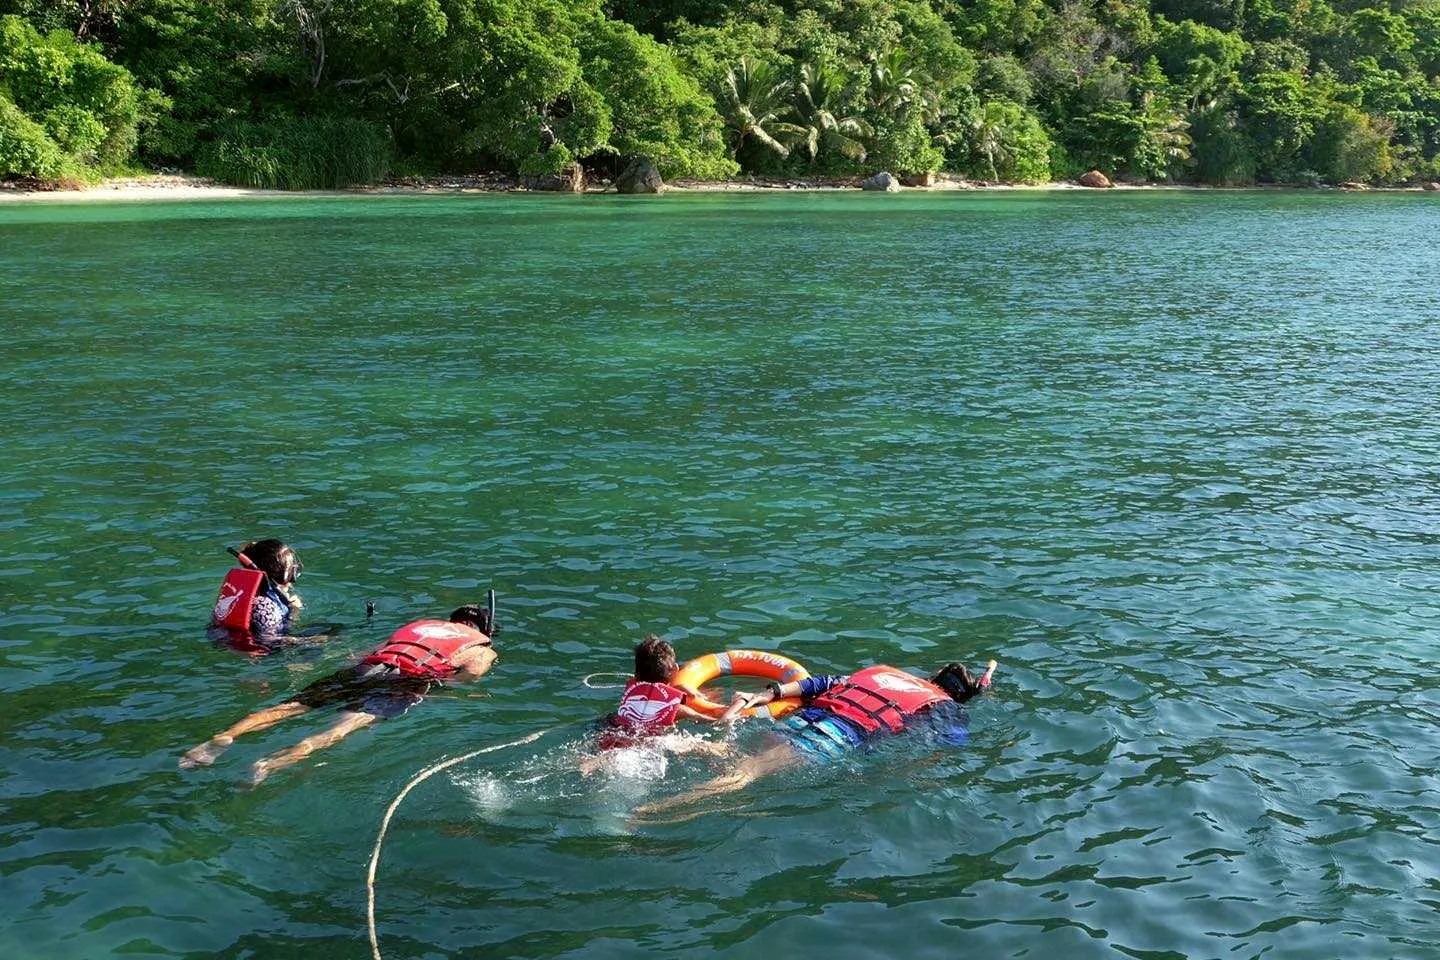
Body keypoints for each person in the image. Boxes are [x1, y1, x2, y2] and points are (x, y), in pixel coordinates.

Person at [181, 603, 498, 784]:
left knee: (292, 706)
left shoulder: (423, 624)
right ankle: (271, 763)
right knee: (341, 728)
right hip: (406, 680)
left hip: (369, 667)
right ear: (484, 630)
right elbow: (467, 677)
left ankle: (223, 738)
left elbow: (367, 654)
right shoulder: (481, 645)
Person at [634, 659, 995, 815]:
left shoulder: (886, 673)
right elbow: (945, 746)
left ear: (932, 674)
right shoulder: (945, 707)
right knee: (747, 773)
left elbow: (820, 683)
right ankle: (654, 810)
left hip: (806, 717)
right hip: (833, 737)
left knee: (732, 755)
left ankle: (661, 743)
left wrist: (768, 694)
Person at [578, 636, 731, 776]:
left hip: (613, 730)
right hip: (648, 744)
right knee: (704, 746)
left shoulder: (633, 690)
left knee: (614, 740)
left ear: (636, 674)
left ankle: (593, 761)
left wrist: (686, 691)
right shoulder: (679, 709)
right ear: (676, 670)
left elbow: (654, 691)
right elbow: (711, 721)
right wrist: (732, 710)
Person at [210, 539, 305, 647]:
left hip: (227, 642)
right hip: (263, 654)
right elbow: (270, 641)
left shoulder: (242, 592)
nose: (293, 577)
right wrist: (294, 612)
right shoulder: (266, 606)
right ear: (277, 574)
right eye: (290, 572)